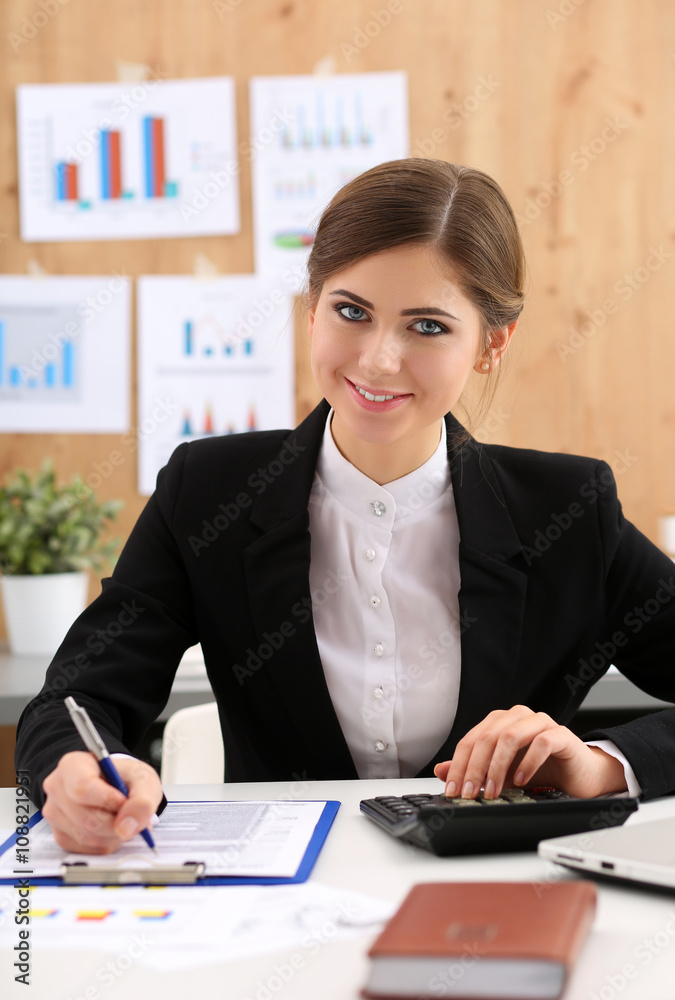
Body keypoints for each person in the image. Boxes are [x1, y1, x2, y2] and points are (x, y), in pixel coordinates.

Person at [15, 159, 675, 856]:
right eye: (351, 311)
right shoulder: (208, 490)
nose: (378, 360)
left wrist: (601, 765)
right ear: (311, 311)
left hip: (493, 892)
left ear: (491, 343)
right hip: (275, 898)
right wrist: (74, 769)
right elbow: (76, 697)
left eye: (426, 326)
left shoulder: (567, 512)